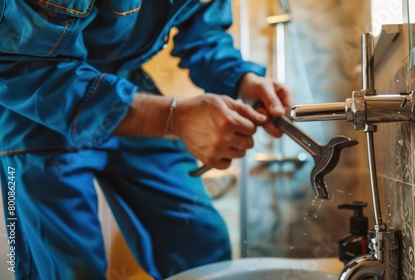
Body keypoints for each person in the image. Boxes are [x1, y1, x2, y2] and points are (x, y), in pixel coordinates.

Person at [0, 0, 292, 279]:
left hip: (129, 86)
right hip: (40, 103)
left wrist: (242, 79)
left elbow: (206, 32)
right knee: (69, 269)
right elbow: (17, 63)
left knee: (202, 244)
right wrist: (172, 118)